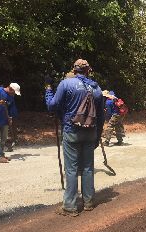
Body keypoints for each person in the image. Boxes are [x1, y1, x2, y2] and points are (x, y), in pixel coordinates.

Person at [45, 59, 105, 217]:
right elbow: (101, 116)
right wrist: (97, 136)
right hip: (90, 132)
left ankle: (70, 206)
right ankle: (89, 202)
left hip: (71, 131)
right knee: (87, 168)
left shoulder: (66, 84)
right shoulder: (96, 88)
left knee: (71, 170)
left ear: (74, 70)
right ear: (88, 71)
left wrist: (48, 88)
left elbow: (52, 105)